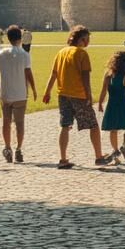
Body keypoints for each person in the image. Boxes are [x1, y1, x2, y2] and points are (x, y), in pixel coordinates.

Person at [42, 25, 108, 168]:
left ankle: (63, 159)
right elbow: (85, 77)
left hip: (63, 95)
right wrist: (88, 94)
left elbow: (53, 74)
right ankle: (99, 157)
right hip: (79, 95)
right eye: (87, 39)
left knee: (65, 125)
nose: (88, 42)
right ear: (82, 39)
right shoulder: (81, 54)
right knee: (93, 125)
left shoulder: (61, 52)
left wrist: (47, 92)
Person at [0, 25, 38, 164]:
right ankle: (18, 149)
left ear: (8, 38)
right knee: (19, 123)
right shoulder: (24, 55)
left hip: (5, 93)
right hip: (20, 94)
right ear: (20, 38)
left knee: (6, 122)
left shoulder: (0, 54)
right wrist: (33, 89)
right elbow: (28, 74)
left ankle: (7, 147)